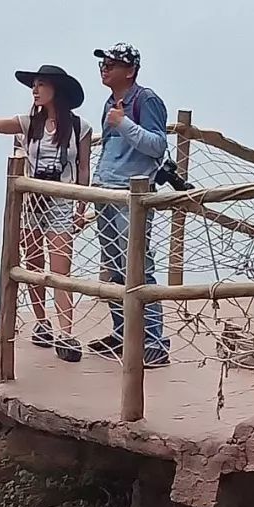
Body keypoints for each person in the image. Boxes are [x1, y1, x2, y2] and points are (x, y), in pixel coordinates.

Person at [0, 64, 92, 363]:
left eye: (41, 85)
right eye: (34, 85)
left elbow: (84, 167)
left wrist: (81, 206)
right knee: (34, 262)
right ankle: (42, 323)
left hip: (62, 199)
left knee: (61, 267)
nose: (35, 90)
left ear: (56, 90)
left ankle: (66, 332)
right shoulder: (28, 124)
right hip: (32, 199)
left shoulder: (80, 128)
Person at [89, 43, 170, 367]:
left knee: (138, 266)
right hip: (106, 191)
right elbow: (110, 147)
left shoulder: (145, 99)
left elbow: (157, 145)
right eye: (103, 63)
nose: (105, 68)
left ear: (130, 70)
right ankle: (122, 334)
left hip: (132, 194)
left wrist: (123, 123)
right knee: (113, 268)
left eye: (112, 63)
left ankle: (153, 342)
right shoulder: (111, 102)